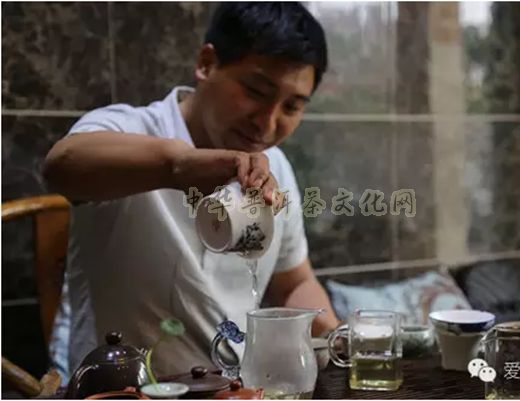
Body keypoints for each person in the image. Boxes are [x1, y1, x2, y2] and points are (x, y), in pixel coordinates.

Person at [44, 2, 340, 376]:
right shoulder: (128, 129)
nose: (267, 124)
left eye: (292, 107)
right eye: (255, 90)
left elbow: (294, 283)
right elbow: (62, 167)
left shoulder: (275, 166)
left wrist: (339, 339)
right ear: (206, 63)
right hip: (122, 388)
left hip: (235, 390)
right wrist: (177, 166)